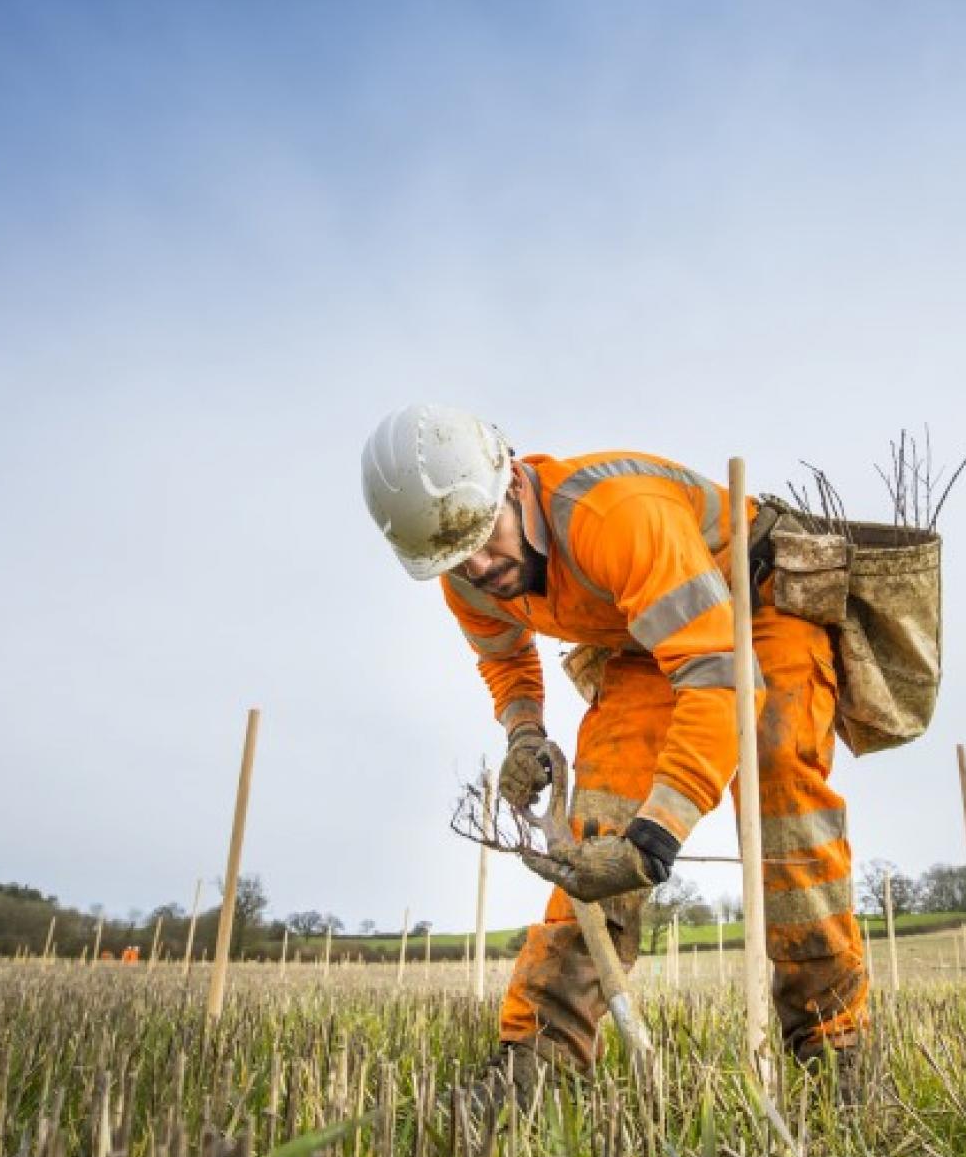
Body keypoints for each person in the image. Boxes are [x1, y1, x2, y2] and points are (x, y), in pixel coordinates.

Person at [362, 404, 868, 1096]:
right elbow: (505, 661)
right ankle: (538, 1057)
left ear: (512, 483)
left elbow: (719, 672)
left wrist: (656, 835)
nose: (479, 566)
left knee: (782, 788)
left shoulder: (612, 516)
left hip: (759, 606)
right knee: (596, 821)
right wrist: (526, 733)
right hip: (639, 638)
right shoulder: (464, 573)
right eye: (454, 558)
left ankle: (832, 1046)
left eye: (483, 538)